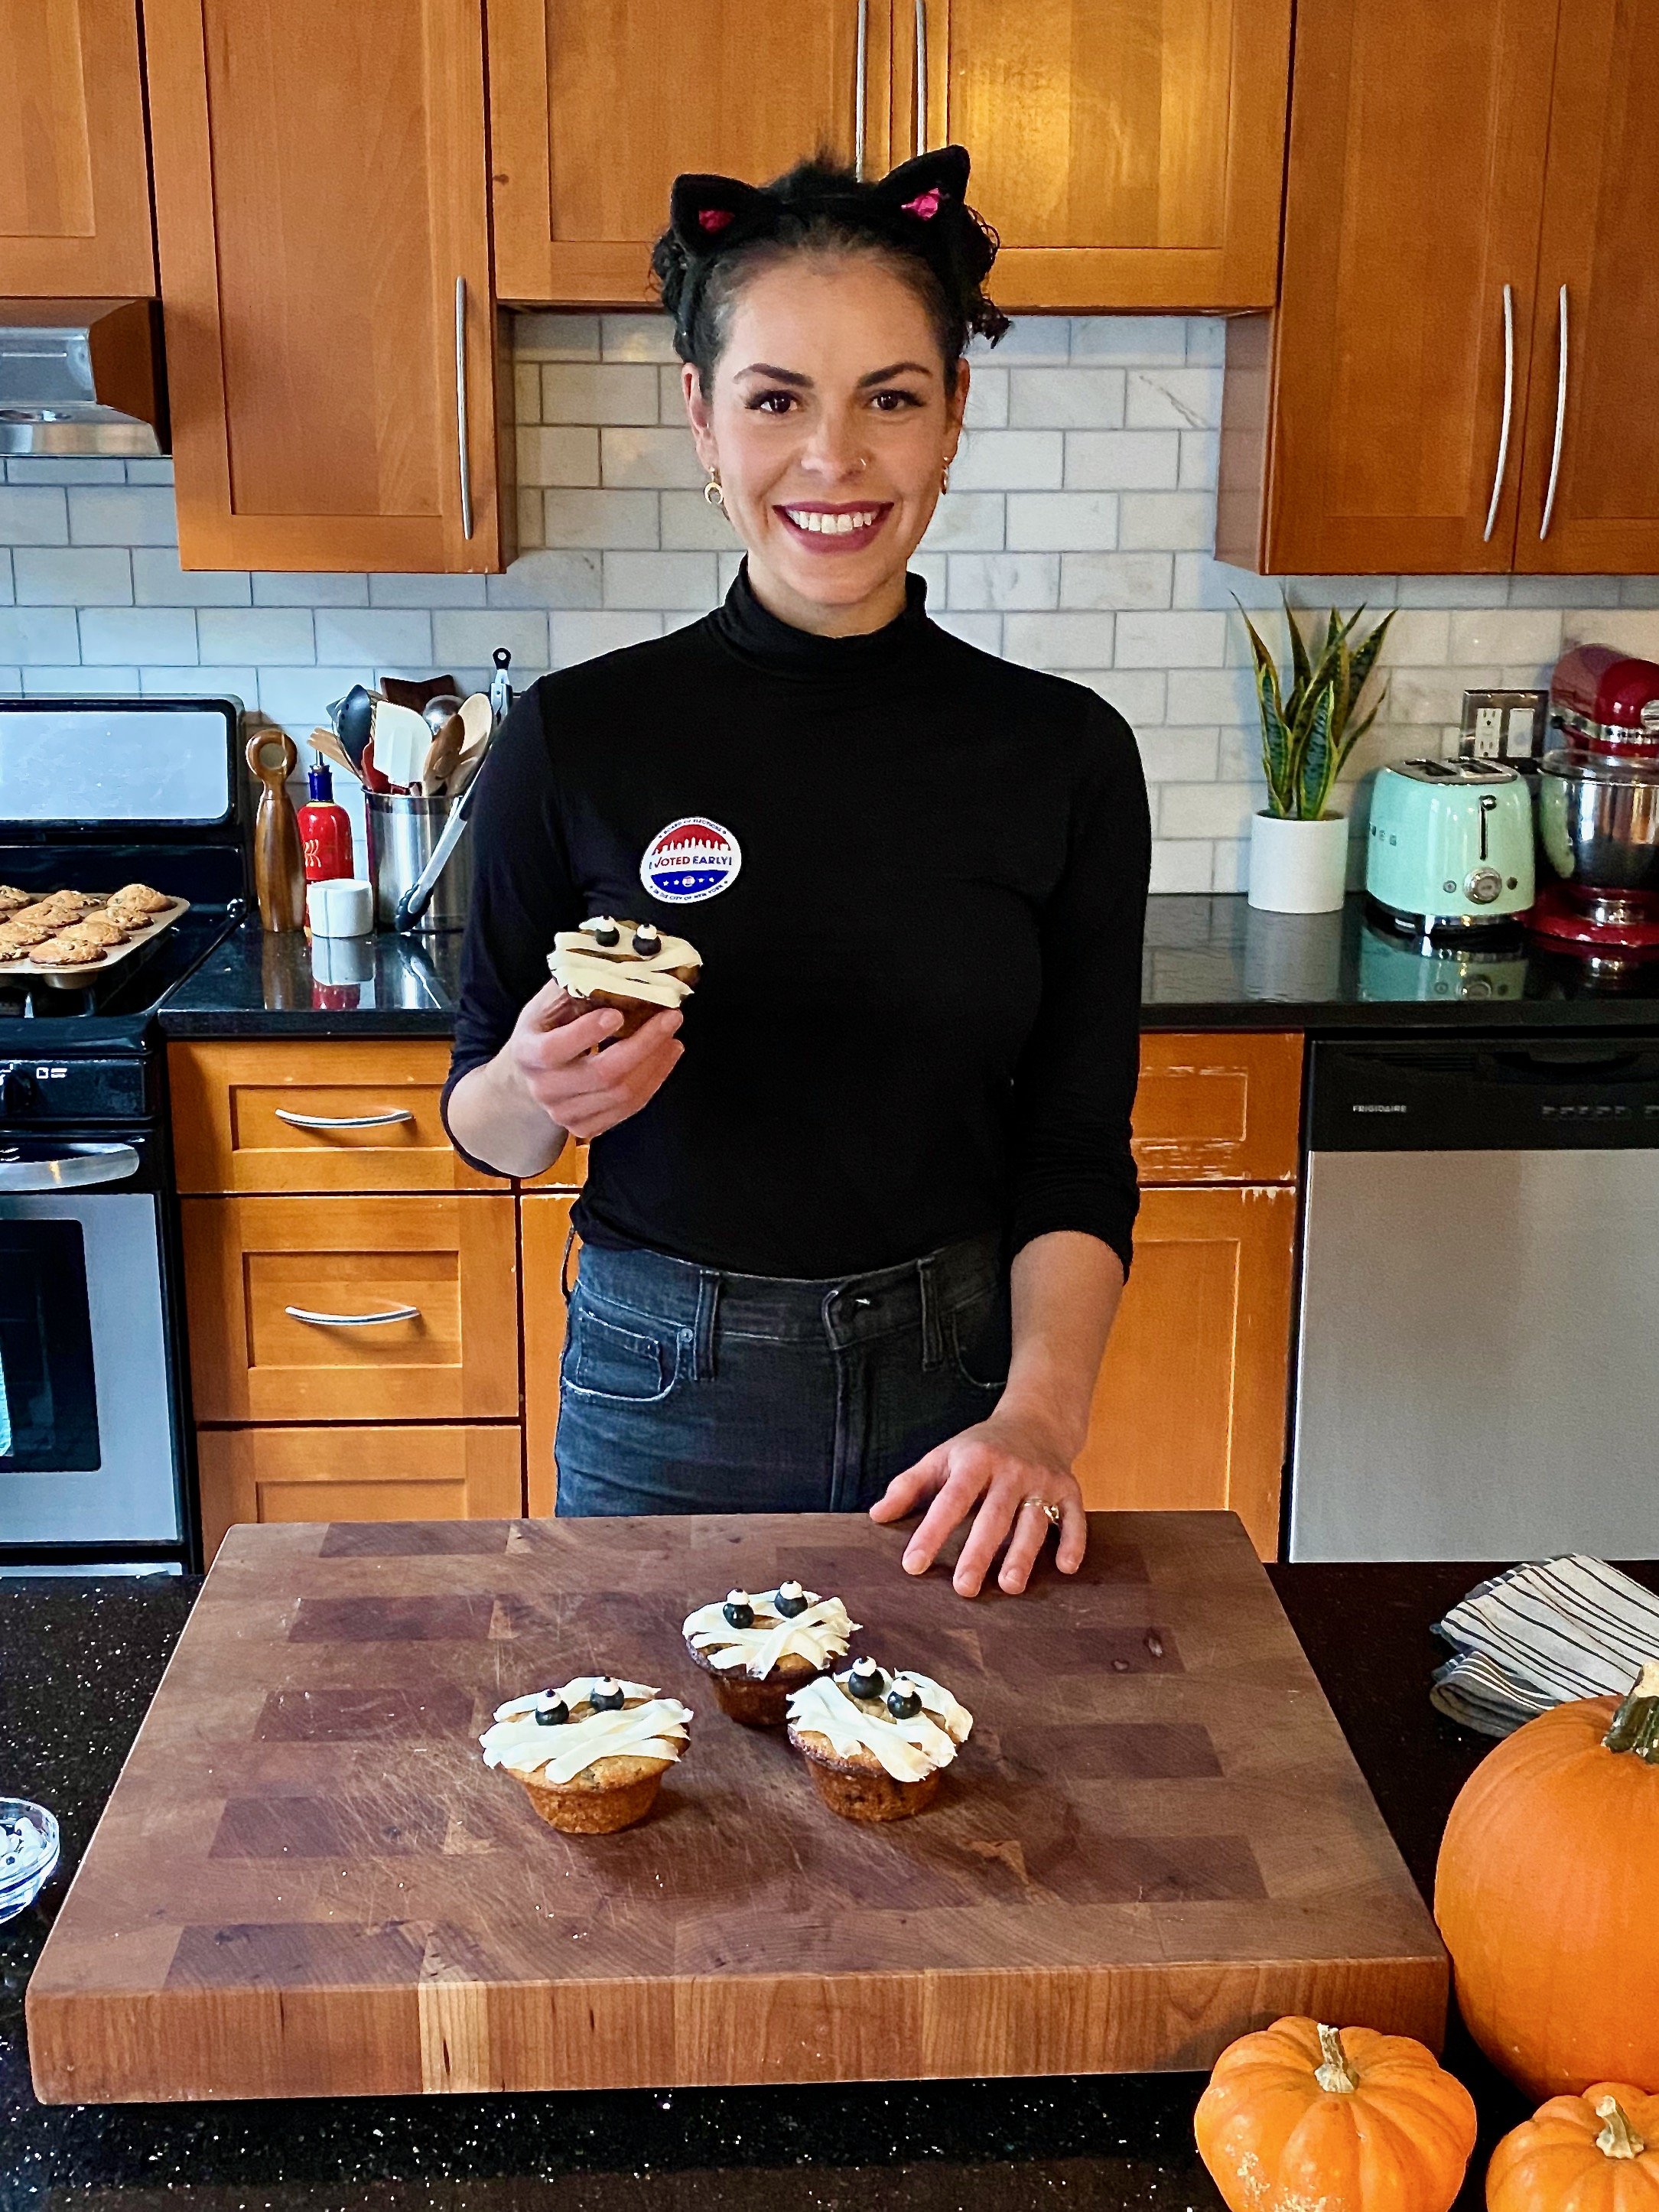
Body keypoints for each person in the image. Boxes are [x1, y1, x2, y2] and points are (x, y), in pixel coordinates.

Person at [442, 144, 1150, 1600]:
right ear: (701, 417)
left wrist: (1038, 1417)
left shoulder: (1062, 752)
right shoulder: (577, 738)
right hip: (662, 1387)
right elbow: (485, 1130)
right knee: (643, 1728)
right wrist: (532, 1089)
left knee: (962, 1740)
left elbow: (1075, 1144)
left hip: (962, 1394)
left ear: (953, 416)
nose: (834, 459)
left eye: (889, 397)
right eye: (776, 400)